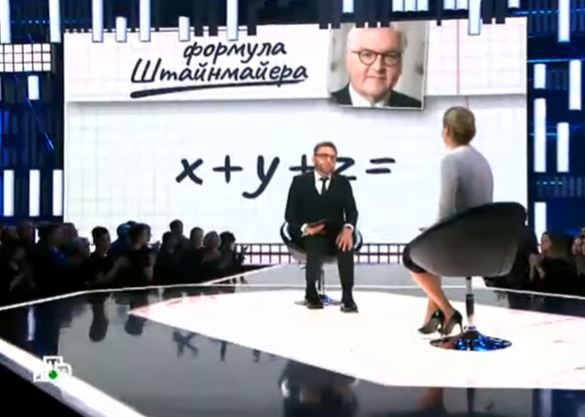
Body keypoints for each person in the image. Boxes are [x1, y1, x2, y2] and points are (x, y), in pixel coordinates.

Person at [402, 107, 494, 335]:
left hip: (462, 243)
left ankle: (447, 310)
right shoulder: (482, 160)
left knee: (412, 256)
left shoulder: (451, 160)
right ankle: (432, 313)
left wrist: (430, 230)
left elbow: (445, 212)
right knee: (431, 247)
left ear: (447, 131)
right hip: (486, 242)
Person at [284, 141, 358, 312]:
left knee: (346, 245)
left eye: (333, 157)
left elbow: (352, 212)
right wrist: (306, 228)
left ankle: (347, 296)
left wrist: (348, 229)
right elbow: (290, 215)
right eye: (324, 156)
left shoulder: (343, 183)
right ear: (314, 159)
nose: (328, 160)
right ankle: (311, 292)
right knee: (315, 244)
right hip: (311, 233)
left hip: (336, 232)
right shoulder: (299, 182)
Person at [331, 26, 421, 108]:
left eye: (390, 56)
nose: (378, 67)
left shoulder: (417, 109)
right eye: (367, 55)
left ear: (400, 65)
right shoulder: (326, 107)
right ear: (348, 59)